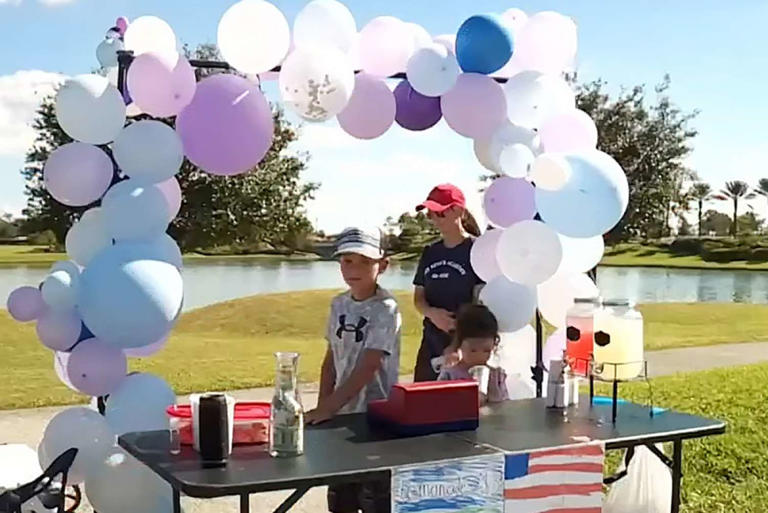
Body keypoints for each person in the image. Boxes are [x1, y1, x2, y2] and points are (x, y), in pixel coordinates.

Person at [305, 226, 401, 513]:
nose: (354, 268)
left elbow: (368, 367)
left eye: (364, 260)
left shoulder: (386, 308)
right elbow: (330, 359)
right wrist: (324, 407)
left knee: (374, 499)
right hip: (340, 415)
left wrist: (328, 409)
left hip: (374, 419)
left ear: (382, 265)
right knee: (340, 499)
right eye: (347, 260)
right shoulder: (338, 304)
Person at [412, 183, 484, 382]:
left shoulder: (478, 250)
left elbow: (480, 305)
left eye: (440, 213)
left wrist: (457, 345)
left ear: (458, 211)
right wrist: (432, 313)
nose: (434, 219)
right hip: (430, 345)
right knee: (422, 404)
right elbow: (419, 299)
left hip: (467, 348)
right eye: (431, 214)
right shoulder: (430, 252)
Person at [437, 304, 509, 405]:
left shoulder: (496, 376)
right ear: (459, 344)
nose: (479, 356)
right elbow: (440, 405)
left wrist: (494, 393)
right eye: (473, 350)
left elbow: (506, 409)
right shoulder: (449, 376)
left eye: (486, 350)